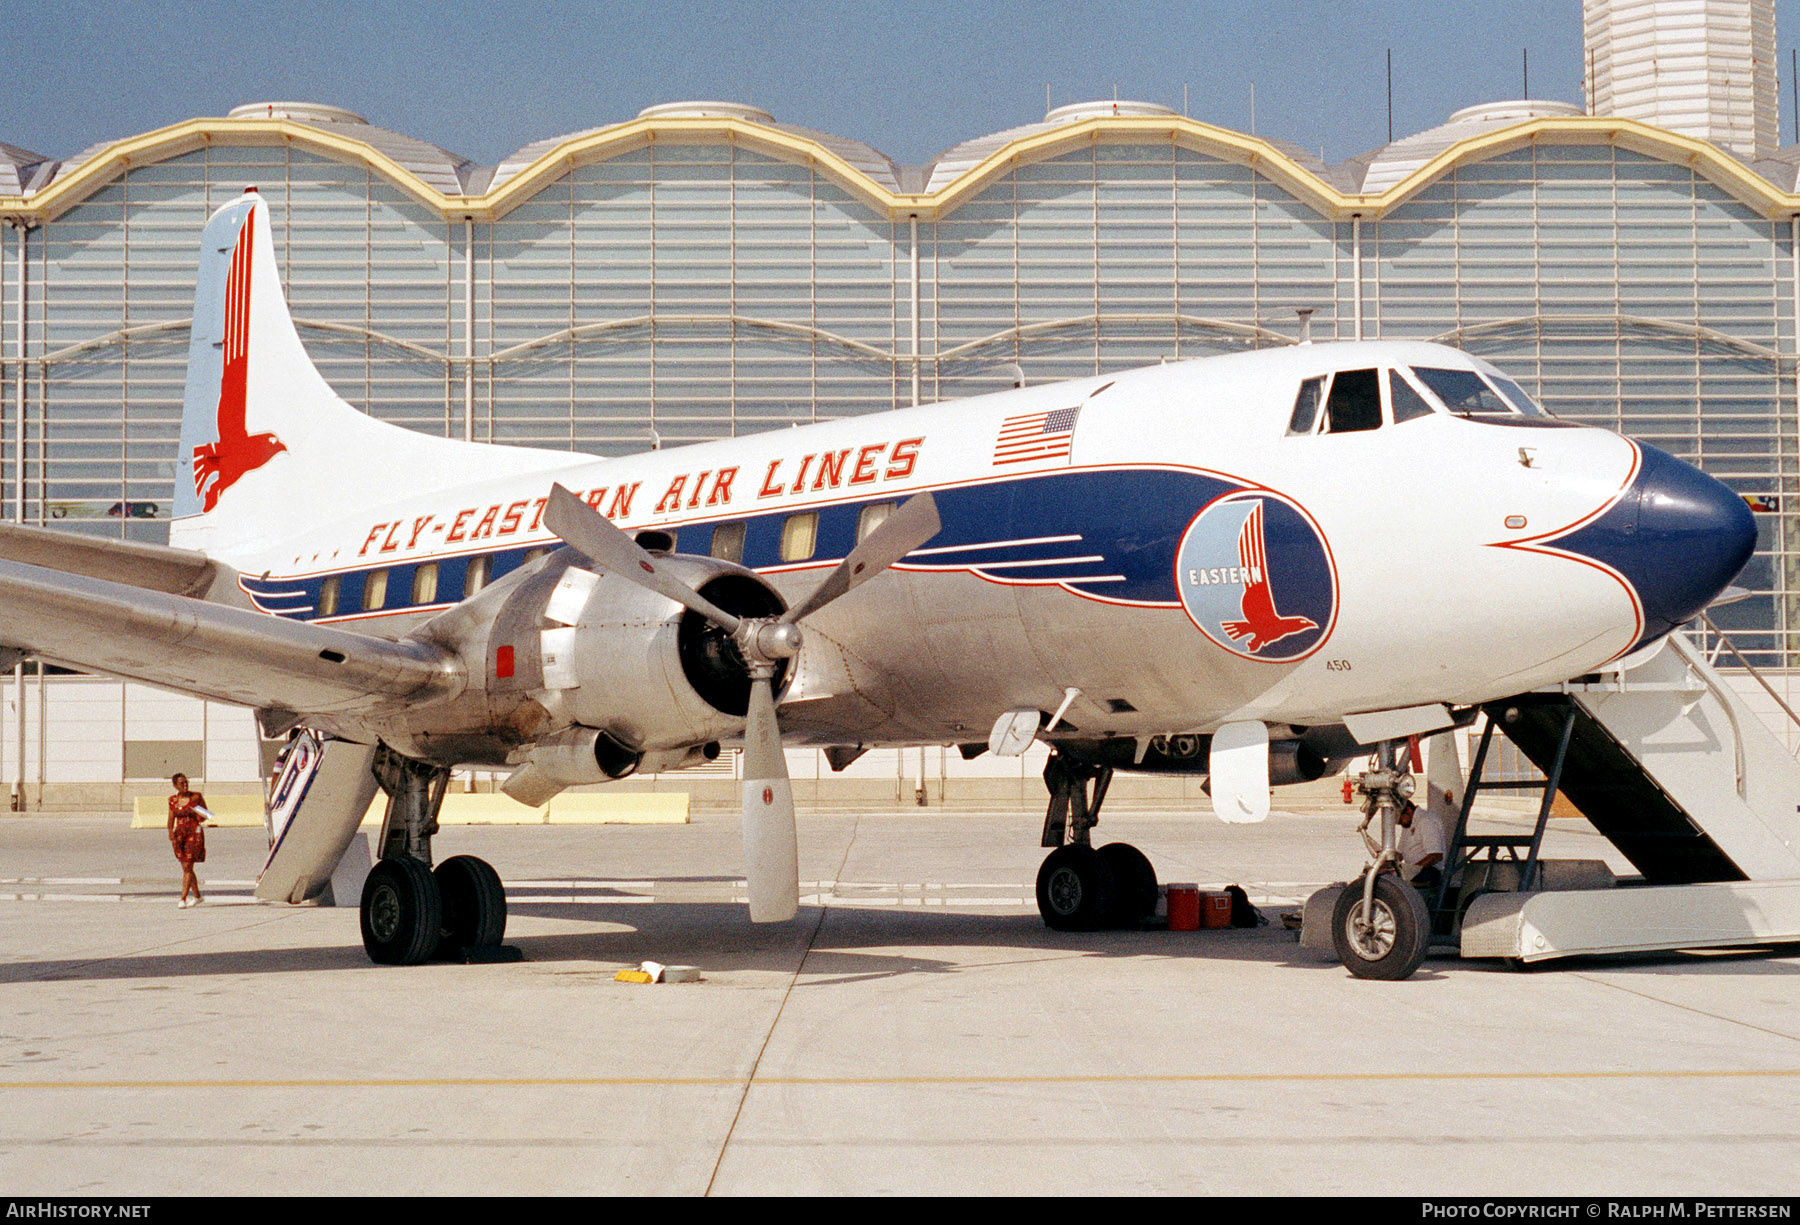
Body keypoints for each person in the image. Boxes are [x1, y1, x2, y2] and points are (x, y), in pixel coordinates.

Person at [167, 773, 214, 908]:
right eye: (182, 783)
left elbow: (206, 814)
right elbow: (171, 817)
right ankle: (197, 896)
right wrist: (170, 831)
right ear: (175, 785)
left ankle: (182, 898)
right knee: (185, 867)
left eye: (186, 782)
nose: (185, 785)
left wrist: (198, 814)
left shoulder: (196, 797)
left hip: (193, 833)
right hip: (180, 834)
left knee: (188, 866)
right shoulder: (172, 800)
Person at [1394, 796, 1447, 892]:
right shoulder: (1408, 824)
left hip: (1429, 871)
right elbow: (1400, 853)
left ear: (1409, 811)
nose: (1401, 824)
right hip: (1413, 870)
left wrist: (1414, 870)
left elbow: (1436, 855)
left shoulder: (1426, 821)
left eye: (1401, 820)